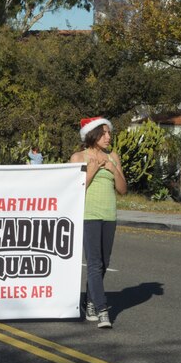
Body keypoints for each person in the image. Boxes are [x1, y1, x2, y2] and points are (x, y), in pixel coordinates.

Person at [70, 117, 127, 329]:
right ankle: (103, 310)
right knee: (94, 263)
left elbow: (122, 189)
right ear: (92, 135)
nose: (108, 137)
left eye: (109, 133)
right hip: (88, 215)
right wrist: (92, 170)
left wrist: (113, 170)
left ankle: (90, 300)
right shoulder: (78, 157)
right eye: (104, 133)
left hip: (109, 215)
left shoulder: (113, 157)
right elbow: (74, 190)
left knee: (104, 263)